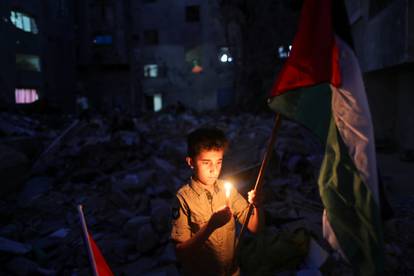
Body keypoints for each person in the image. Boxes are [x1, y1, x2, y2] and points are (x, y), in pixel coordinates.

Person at [171, 127, 263, 276]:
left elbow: (255, 227)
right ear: (191, 162)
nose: (214, 170)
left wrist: (257, 205)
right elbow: (181, 254)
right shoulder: (183, 199)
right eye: (206, 163)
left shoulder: (227, 190)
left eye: (218, 162)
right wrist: (210, 226)